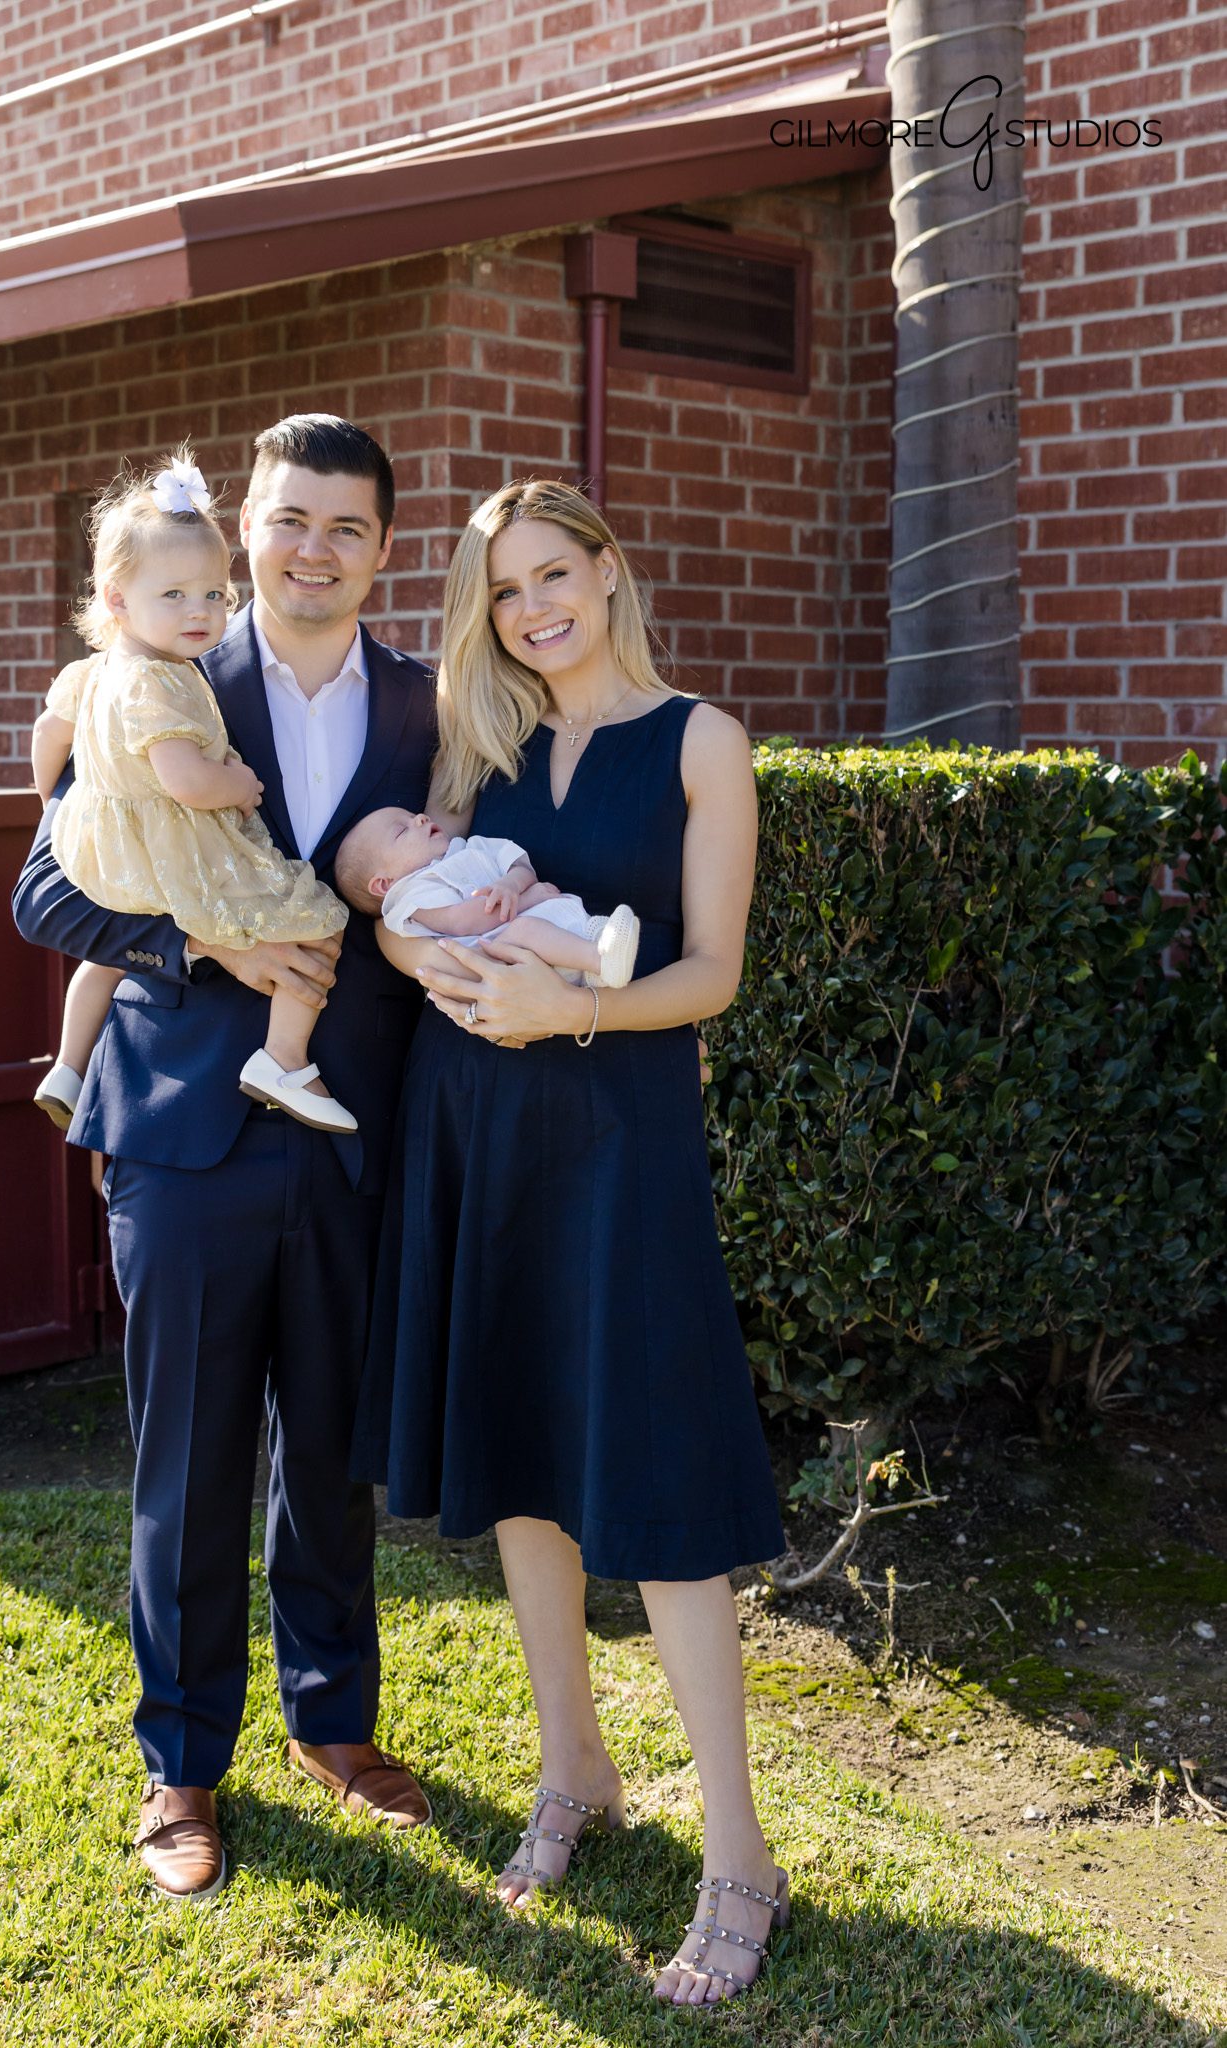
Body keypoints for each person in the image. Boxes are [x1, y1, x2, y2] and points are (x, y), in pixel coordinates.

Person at [352, 479, 790, 2006]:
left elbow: (713, 972)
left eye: (552, 574)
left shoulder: (702, 740)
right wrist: (410, 944)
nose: (532, 608)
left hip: (619, 1143)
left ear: (606, 570)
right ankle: (573, 1768)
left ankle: (739, 1855)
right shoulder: (479, 747)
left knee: (655, 1481)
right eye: (503, 589)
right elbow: (406, 899)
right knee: (523, 1457)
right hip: (475, 1134)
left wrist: (572, 1007)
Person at [13, 415, 437, 1900]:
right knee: (186, 1463)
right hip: (183, 1136)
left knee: (329, 1453)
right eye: (290, 518)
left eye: (345, 526)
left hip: (352, 1132)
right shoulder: (158, 667)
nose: (313, 548)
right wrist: (200, 946)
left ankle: (335, 1720)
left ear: (383, 549)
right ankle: (183, 1761)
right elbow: (46, 894)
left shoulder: (431, 704)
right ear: (248, 526)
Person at [30, 449, 355, 1136]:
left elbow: (46, 734)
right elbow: (181, 781)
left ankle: (67, 1064)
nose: (199, 612)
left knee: (99, 962)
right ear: (117, 599)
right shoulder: (163, 681)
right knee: (318, 919)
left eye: (212, 594)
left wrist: (67, 810)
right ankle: (284, 1058)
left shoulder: (92, 673)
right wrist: (237, 783)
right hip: (173, 1107)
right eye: (174, 596)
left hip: (110, 849)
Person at [333, 804, 639, 988]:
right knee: (526, 929)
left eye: (413, 815)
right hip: (504, 952)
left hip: (549, 931)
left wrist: (512, 884)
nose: (421, 819)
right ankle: (599, 959)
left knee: (549, 919)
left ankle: (598, 953)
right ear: (383, 885)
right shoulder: (412, 897)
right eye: (402, 831)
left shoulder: (469, 847)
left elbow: (519, 866)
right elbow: (463, 922)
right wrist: (526, 900)